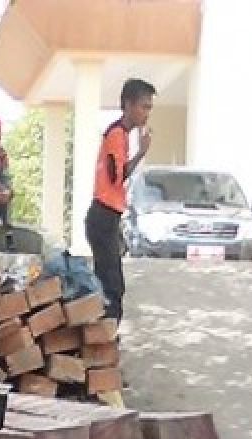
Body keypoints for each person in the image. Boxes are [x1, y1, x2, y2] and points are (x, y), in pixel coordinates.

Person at [85, 79, 155, 321]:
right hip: (103, 216)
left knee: (111, 284)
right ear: (128, 105)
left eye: (149, 108)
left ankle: (105, 341)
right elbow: (117, 176)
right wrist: (141, 153)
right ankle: (105, 340)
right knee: (111, 287)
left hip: (108, 216)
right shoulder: (116, 134)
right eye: (143, 107)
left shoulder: (122, 135)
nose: (146, 113)